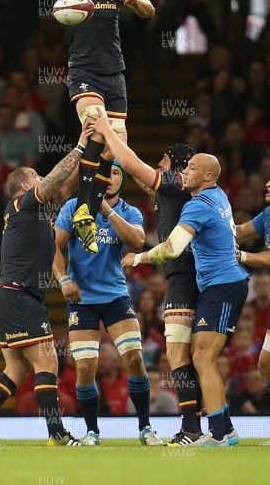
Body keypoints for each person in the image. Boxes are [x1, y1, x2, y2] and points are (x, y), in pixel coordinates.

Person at [24, 0, 155, 254]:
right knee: (96, 125)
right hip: (84, 75)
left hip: (116, 76)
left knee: (114, 150)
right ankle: (83, 207)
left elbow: (149, 11)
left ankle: (85, 208)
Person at [0, 121, 93, 447]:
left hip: (8, 296)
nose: (41, 178)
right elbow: (53, 183)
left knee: (17, 371)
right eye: (35, 176)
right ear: (24, 187)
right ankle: (57, 434)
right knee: (47, 361)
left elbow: (64, 186)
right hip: (18, 295)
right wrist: (79, 145)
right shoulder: (21, 203)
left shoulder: (31, 212)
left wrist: (94, 151)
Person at [87, 121, 202, 445]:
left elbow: (136, 166)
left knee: (181, 354)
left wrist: (110, 134)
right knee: (195, 355)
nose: (158, 167)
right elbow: (137, 172)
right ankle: (212, 427)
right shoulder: (171, 188)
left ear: (176, 166)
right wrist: (119, 144)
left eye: (163, 161)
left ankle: (193, 429)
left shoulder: (176, 182)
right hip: (186, 273)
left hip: (185, 274)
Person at [53, 160, 163, 445]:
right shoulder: (73, 208)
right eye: (105, 172)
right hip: (82, 301)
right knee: (86, 368)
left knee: (135, 360)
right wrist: (64, 279)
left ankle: (145, 428)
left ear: (121, 181)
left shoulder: (129, 211)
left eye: (116, 173)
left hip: (116, 296)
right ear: (95, 177)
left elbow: (138, 240)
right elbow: (53, 245)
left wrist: (106, 210)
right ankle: (92, 431)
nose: (110, 177)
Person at [236, 161, 270, 445]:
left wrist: (243, 257)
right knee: (269, 367)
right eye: (268, 178)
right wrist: (208, 226)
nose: (268, 184)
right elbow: (241, 231)